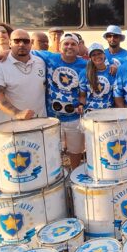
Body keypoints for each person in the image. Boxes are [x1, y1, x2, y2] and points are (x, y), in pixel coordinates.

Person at [33, 33, 88, 168]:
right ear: (60, 46)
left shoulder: (86, 64)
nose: (69, 47)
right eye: (66, 44)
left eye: (73, 44)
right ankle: (57, 174)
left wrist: (113, 67)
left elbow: (103, 67)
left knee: (76, 150)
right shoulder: (50, 57)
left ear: (78, 47)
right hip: (52, 117)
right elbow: (24, 50)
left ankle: (74, 172)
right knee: (52, 149)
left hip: (74, 117)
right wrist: (3, 53)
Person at [0, 29, 47, 124]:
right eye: (17, 41)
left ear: (31, 44)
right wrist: (17, 113)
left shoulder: (40, 62)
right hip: (11, 126)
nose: (21, 44)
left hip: (39, 122)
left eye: (26, 41)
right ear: (10, 43)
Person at [81, 43, 117, 111]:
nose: (97, 56)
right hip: (89, 115)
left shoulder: (112, 71)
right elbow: (82, 96)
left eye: (99, 53)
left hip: (109, 114)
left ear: (104, 55)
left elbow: (117, 95)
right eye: (93, 55)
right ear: (90, 58)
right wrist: (80, 106)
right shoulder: (84, 73)